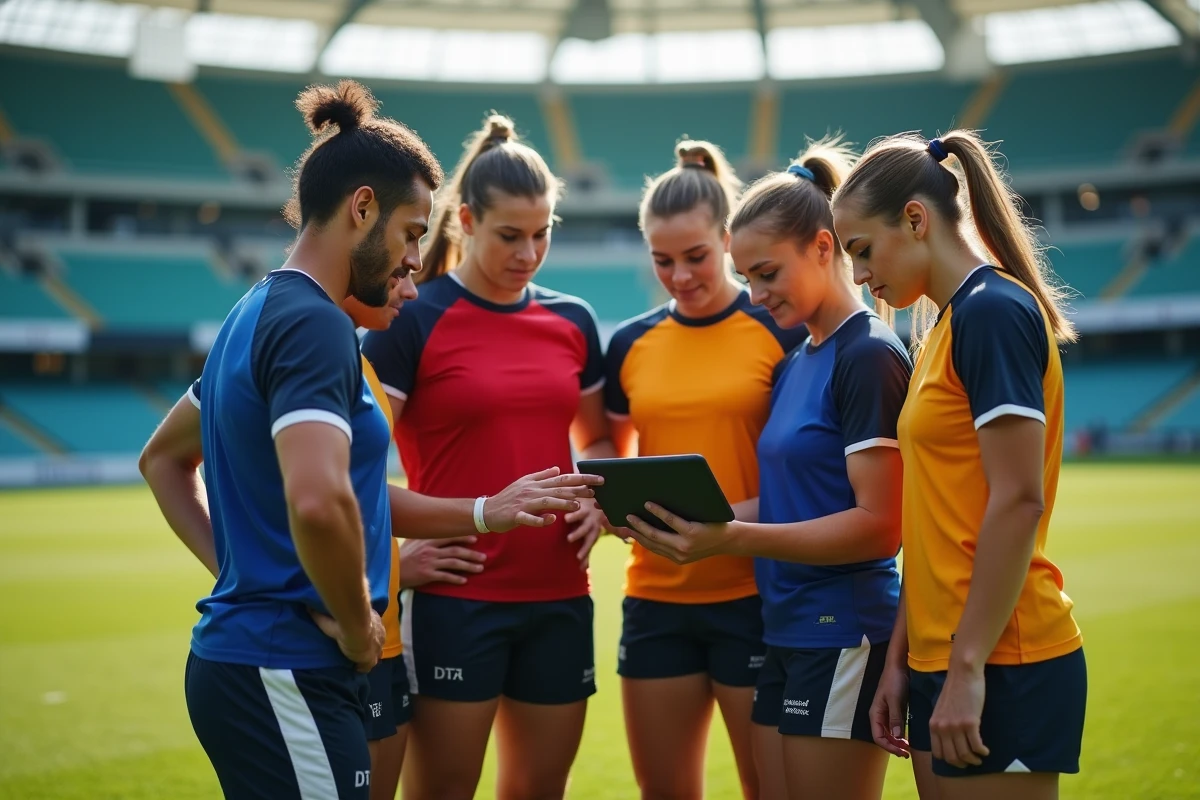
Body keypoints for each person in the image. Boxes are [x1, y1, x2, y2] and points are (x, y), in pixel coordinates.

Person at [138, 83, 600, 800]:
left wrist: (484, 512)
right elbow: (320, 502)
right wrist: (358, 625)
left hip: (259, 660)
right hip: (289, 664)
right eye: (412, 232)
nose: (417, 255)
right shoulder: (315, 324)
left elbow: (162, 460)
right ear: (361, 208)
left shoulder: (256, 309)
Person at [616, 141, 912, 800]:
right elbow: (783, 502)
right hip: (785, 629)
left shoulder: (867, 355)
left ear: (823, 247)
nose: (755, 294)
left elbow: (880, 528)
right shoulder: (799, 359)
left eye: (768, 273)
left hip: (841, 627)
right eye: (747, 276)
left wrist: (730, 538)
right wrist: (674, 518)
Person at [361, 114, 615, 800]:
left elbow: (597, 442)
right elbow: (355, 468)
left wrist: (598, 501)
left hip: (562, 592)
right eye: (510, 235)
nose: (529, 252)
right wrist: (397, 559)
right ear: (468, 221)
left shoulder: (574, 320)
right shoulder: (412, 317)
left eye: (542, 233)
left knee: (541, 788)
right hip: (458, 597)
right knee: (444, 789)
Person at [830, 131, 1085, 800]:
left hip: (1002, 656)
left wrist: (967, 667)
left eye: (862, 250)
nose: (858, 276)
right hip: (942, 654)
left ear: (915, 219)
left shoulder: (992, 313)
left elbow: (1018, 499)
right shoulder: (943, 326)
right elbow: (934, 520)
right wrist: (901, 660)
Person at [603, 140, 807, 800]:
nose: (679, 276)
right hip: (655, 597)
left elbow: (808, 472)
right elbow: (607, 447)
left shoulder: (780, 330)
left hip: (755, 596)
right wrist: (611, 502)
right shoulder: (629, 342)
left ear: (726, 239)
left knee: (769, 789)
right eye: (662, 261)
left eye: (694, 256)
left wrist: (729, 525)